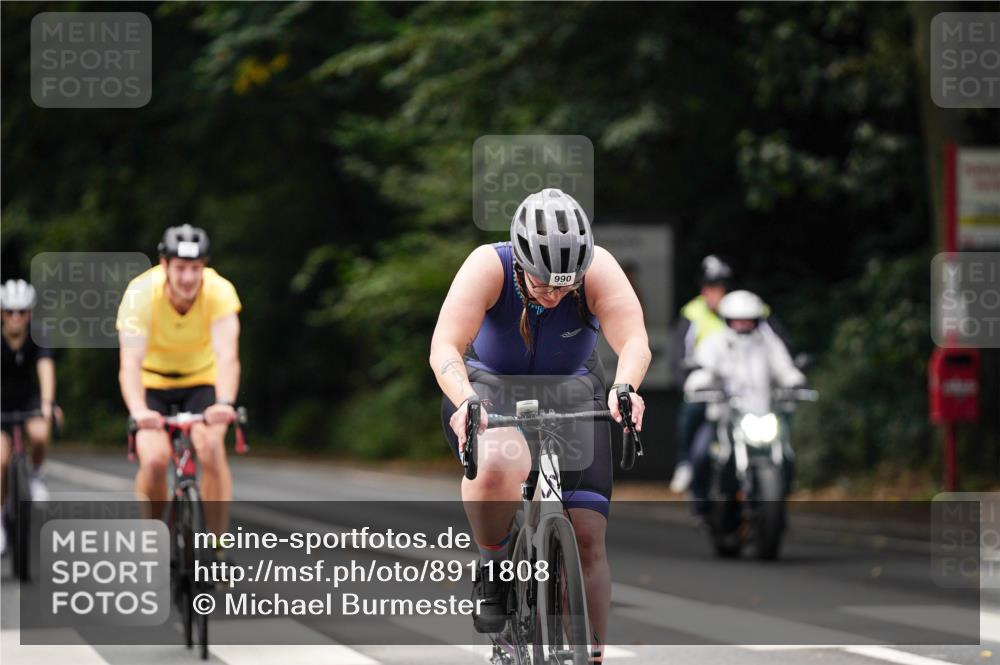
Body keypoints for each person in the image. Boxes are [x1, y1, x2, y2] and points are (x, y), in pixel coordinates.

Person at [429, 188, 650, 656]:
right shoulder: (488, 265)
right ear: (520, 264)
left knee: (589, 538)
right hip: (490, 386)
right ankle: (493, 568)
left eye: (564, 286)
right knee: (498, 464)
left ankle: (592, 654)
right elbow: (444, 346)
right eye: (542, 284)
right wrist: (466, 400)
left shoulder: (598, 269)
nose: (553, 297)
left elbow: (633, 341)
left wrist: (625, 386)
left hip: (573, 386)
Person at [116, 225, 242, 535]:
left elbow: (227, 356)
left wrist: (224, 402)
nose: (188, 277)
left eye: (195, 268)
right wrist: (138, 411)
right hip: (153, 384)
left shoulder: (220, 291)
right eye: (181, 268)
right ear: (164, 266)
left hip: (201, 381)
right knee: (156, 460)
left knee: (211, 447)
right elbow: (129, 363)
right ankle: (152, 534)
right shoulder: (140, 294)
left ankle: (218, 547)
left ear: (205, 267)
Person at [683, 290, 805, 511]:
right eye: (736, 320)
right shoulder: (715, 342)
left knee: (787, 455)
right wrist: (697, 383)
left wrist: (795, 382)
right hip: (724, 416)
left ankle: (779, 501)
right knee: (701, 455)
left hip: (762, 414)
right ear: (727, 320)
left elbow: (785, 368)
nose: (742, 325)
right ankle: (701, 508)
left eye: (747, 320)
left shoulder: (769, 343)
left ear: (756, 320)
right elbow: (703, 369)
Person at [1, 279, 59, 554]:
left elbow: (45, 369)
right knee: (0, 458)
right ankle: (1, 517)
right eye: (10, 311)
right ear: (2, 313)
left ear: (30, 313)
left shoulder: (39, 336)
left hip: (28, 401)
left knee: (39, 431)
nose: (16, 317)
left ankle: (35, 474)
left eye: (21, 311)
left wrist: (48, 403)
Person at [668, 255, 732, 493]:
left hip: (739, 387)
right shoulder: (693, 312)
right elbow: (678, 350)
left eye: (718, 287)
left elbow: (772, 344)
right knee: (691, 412)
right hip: (704, 386)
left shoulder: (743, 311)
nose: (712, 292)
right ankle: (684, 462)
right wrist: (684, 381)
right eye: (708, 286)